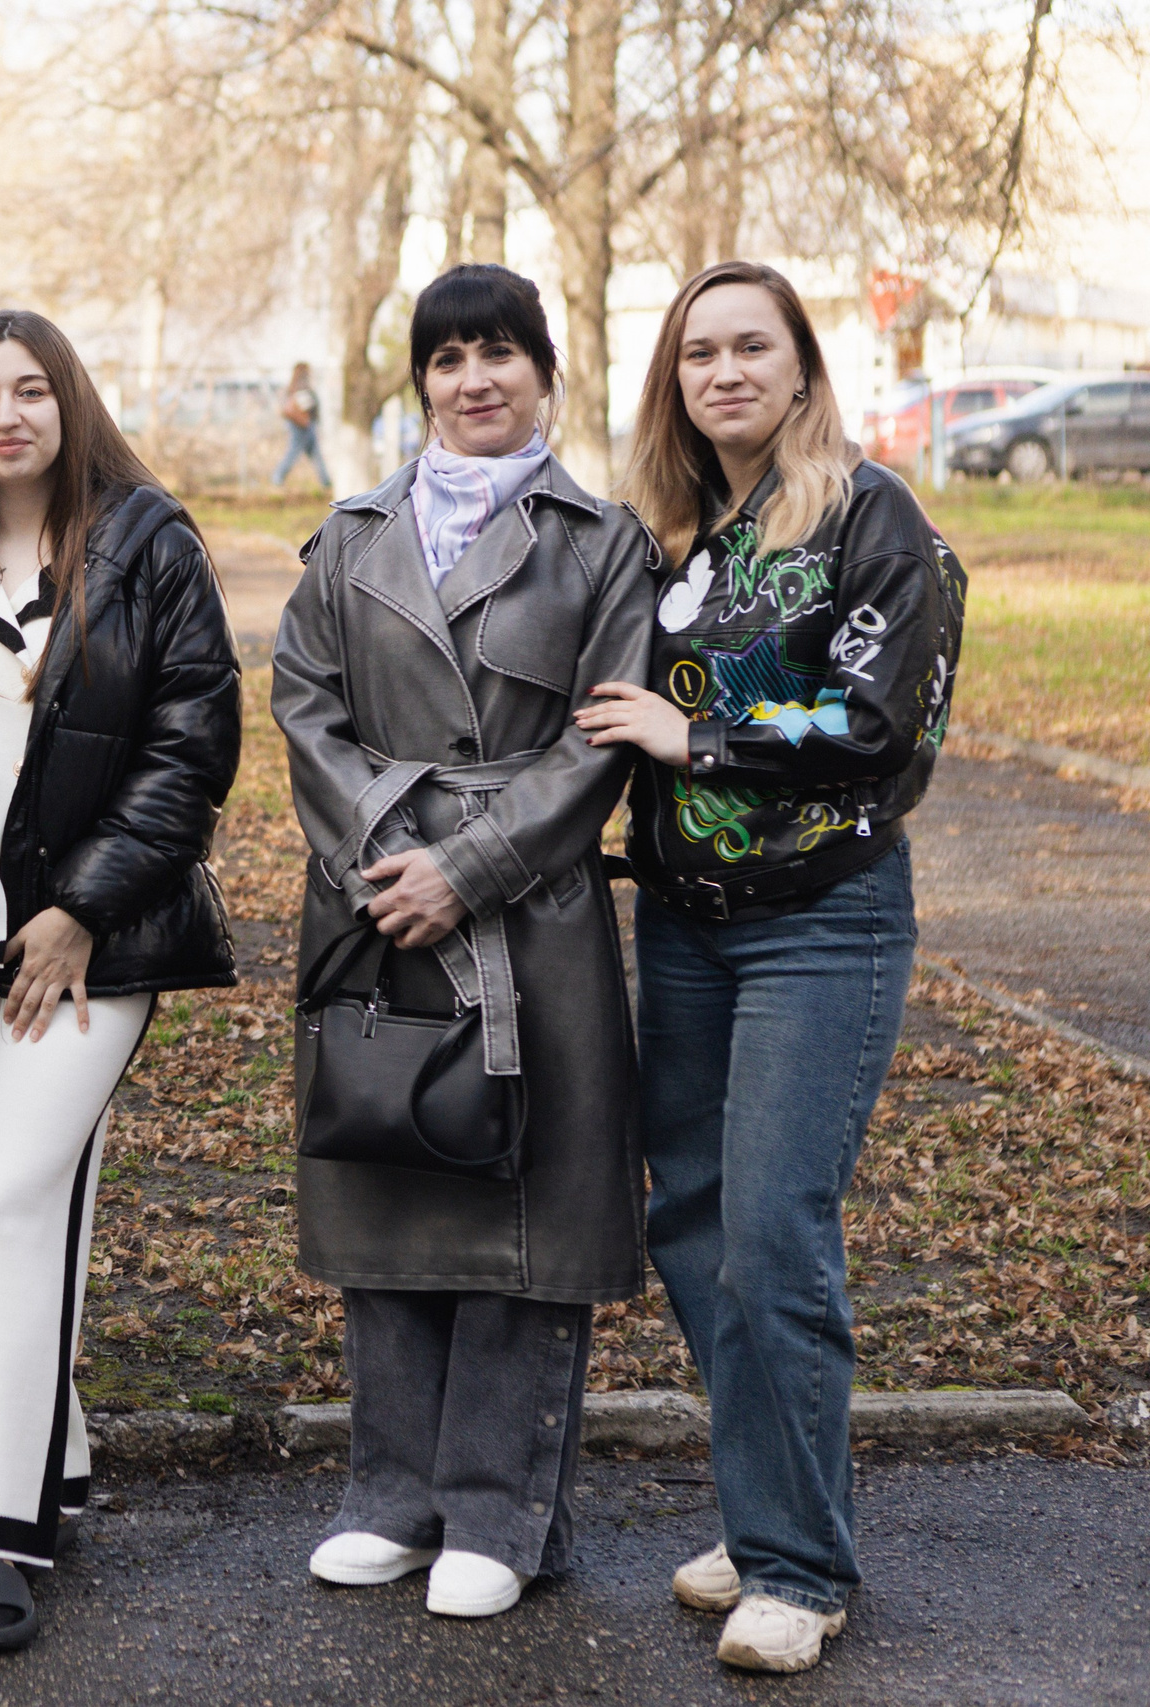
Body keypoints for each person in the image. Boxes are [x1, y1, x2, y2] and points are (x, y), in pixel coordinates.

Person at [582, 259, 965, 1675]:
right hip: (684, 923)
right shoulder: (681, 535)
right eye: (700, 355)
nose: (726, 372)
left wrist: (703, 741)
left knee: (773, 1232)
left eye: (754, 347)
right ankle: (764, 1520)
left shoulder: (872, 519)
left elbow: (885, 726)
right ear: (673, 384)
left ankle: (802, 1568)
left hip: (823, 919)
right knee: (691, 1223)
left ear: (803, 367)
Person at [271, 264, 657, 1621]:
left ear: (544, 373)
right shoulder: (350, 534)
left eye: (500, 353)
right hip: (376, 896)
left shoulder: (604, 542)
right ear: (421, 381)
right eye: (448, 358)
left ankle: (501, 1507)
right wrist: (394, 852)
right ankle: (392, 1494)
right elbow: (304, 704)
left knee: (523, 1204)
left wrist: (471, 863)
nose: (474, 379)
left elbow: (603, 737)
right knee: (389, 1170)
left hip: (529, 912)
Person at [0, 309, 239, 1652]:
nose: (8, 413)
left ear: (70, 401)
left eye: (33, 389)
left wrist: (83, 908)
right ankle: (49, 1451)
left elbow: (192, 746)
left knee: (14, 1192)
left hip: (82, 949)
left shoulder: (148, 542)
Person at [274, 361, 331, 491]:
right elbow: (307, 406)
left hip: (299, 424)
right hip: (303, 426)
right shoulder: (302, 386)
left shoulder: (292, 387)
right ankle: (278, 476)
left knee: (314, 454)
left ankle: (325, 481)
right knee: (295, 452)